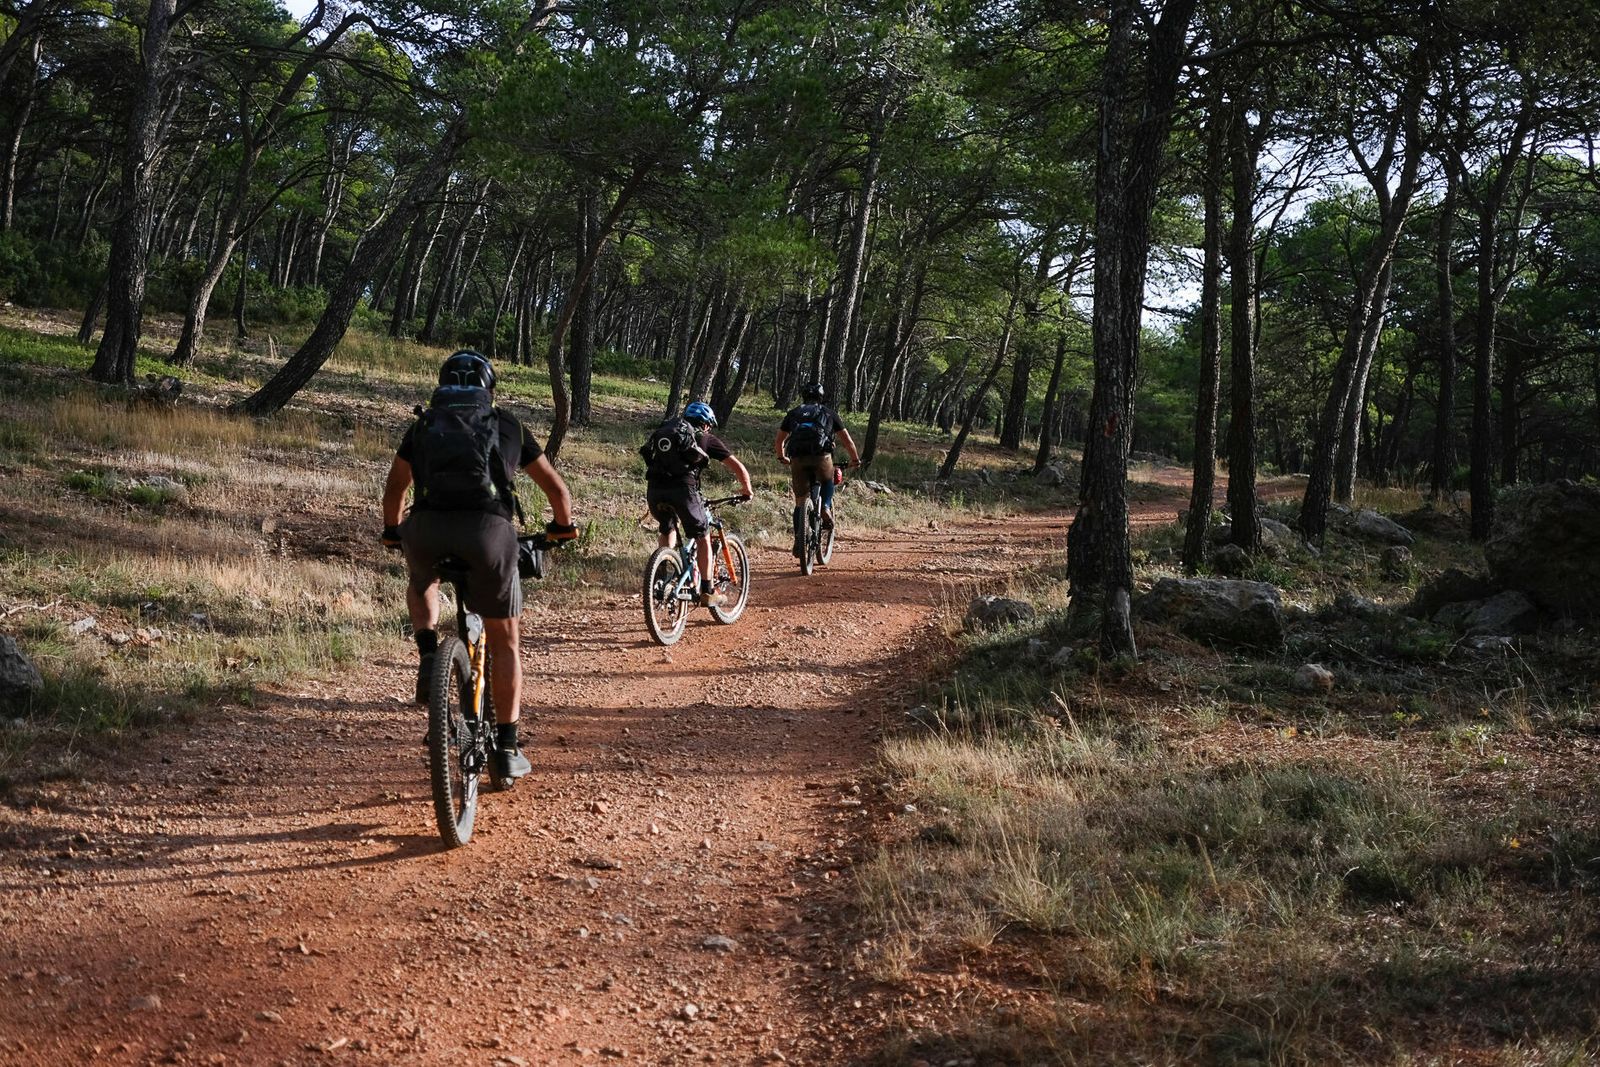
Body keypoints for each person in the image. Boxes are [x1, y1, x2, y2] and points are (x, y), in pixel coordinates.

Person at [380, 350, 577, 782]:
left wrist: (394, 531)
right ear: (490, 389)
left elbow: (396, 487)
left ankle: (429, 654)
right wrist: (563, 529)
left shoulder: (424, 425)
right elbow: (556, 491)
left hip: (427, 530)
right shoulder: (508, 424)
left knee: (422, 580)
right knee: (505, 642)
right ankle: (506, 748)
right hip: (488, 535)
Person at [643, 400, 753, 607]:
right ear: (706, 423)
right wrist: (747, 489)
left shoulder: (668, 432)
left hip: (655, 491)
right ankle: (707, 591)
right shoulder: (705, 438)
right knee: (702, 536)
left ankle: (661, 576)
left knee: (668, 526)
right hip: (683, 492)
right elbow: (736, 466)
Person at [775, 381, 861, 558]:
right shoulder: (829, 413)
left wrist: (782, 457)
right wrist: (855, 460)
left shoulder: (794, 413)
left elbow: (779, 441)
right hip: (822, 456)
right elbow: (847, 441)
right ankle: (826, 507)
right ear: (821, 397)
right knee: (828, 479)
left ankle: (799, 539)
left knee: (800, 500)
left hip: (797, 458)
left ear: (803, 396)